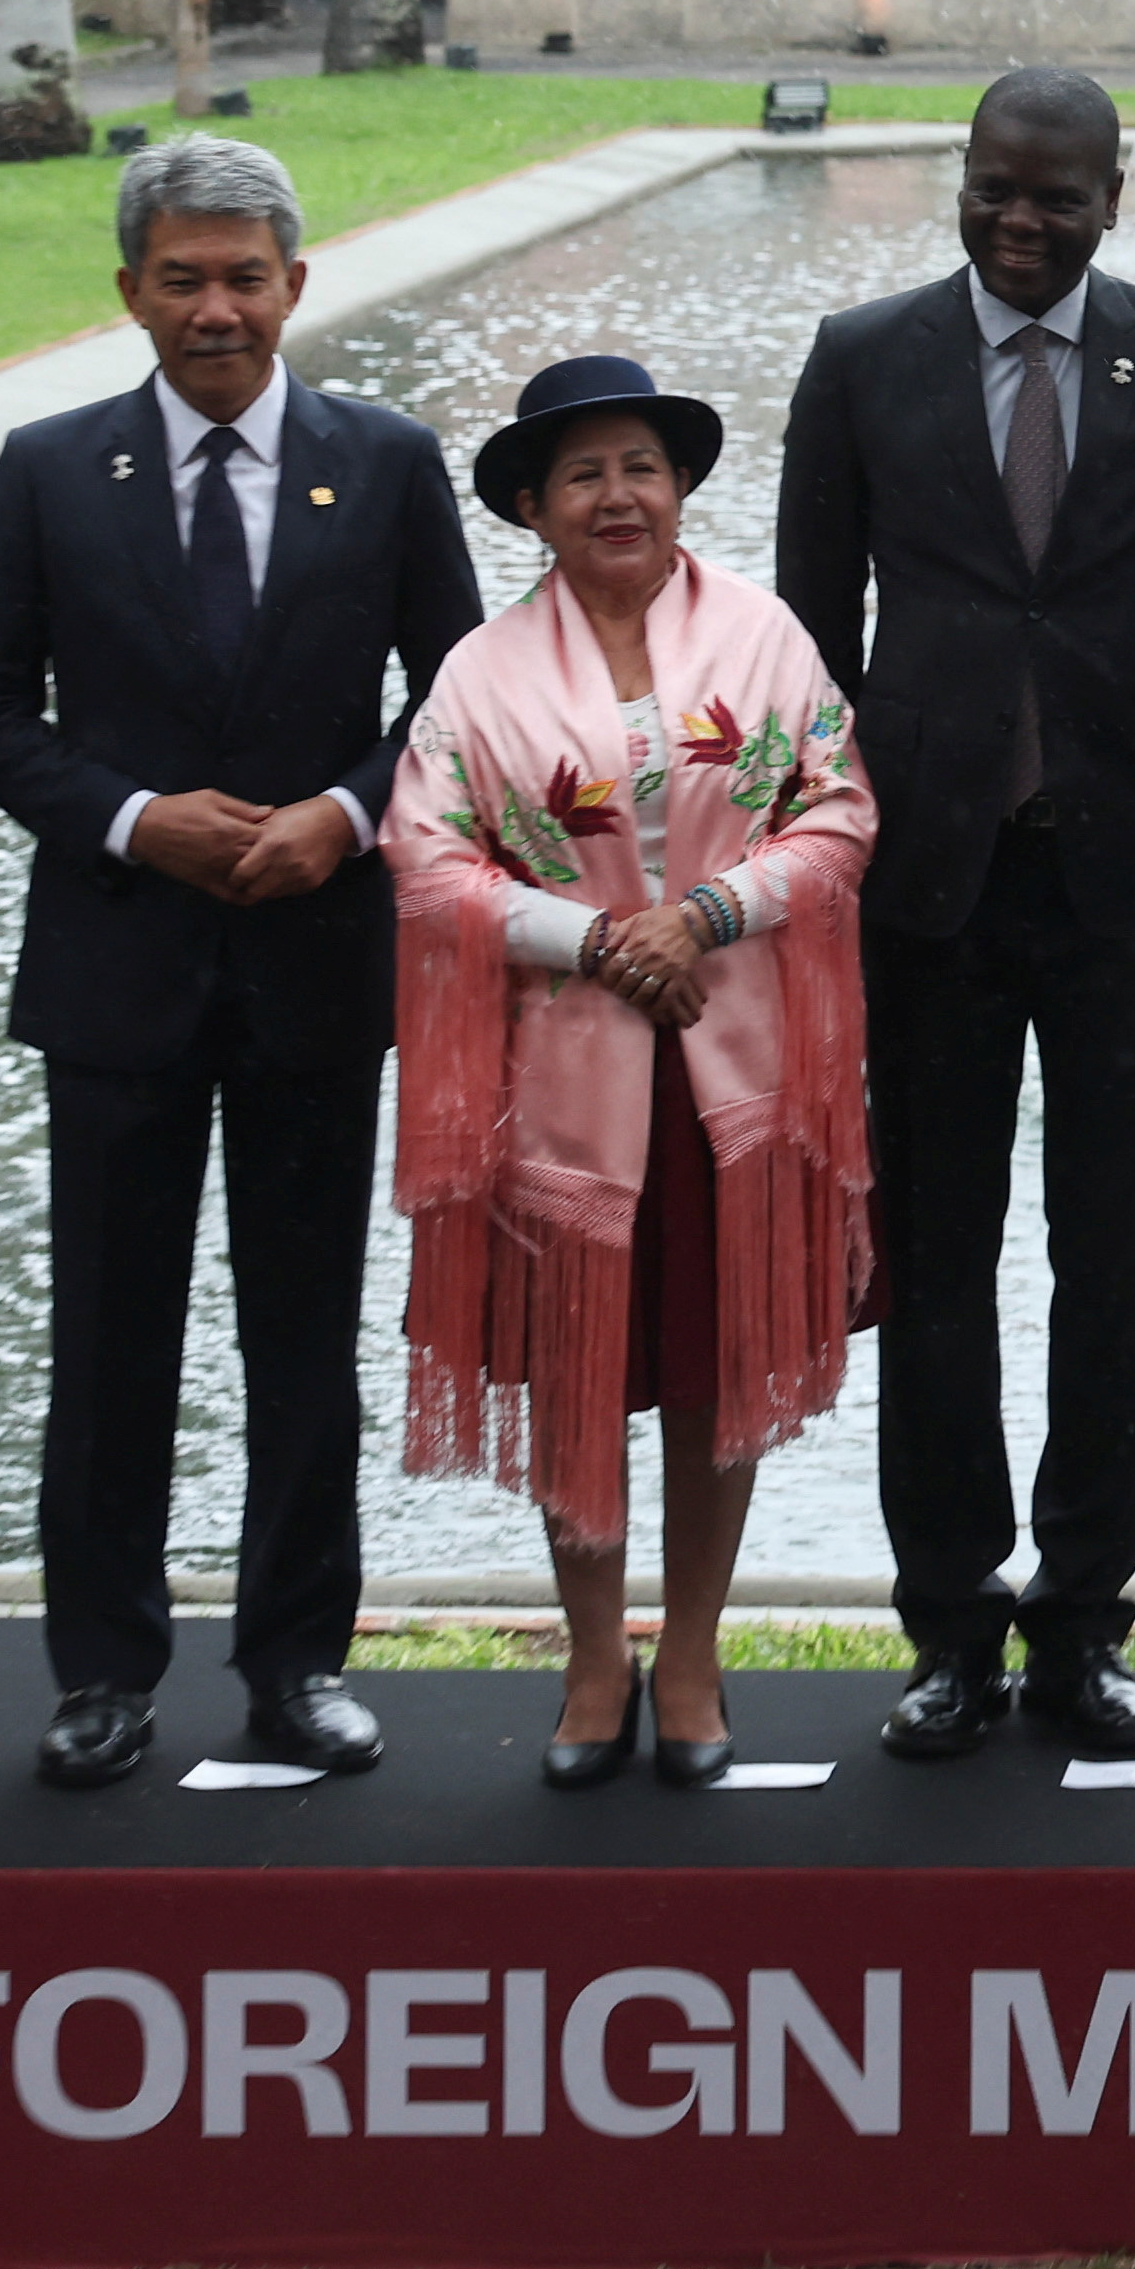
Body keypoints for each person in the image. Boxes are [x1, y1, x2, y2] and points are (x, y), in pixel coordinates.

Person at [0, 135, 484, 1788]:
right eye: (179, 279)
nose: (214, 309)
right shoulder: (46, 471)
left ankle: (295, 1660)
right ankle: (101, 1672)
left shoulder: (387, 465)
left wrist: (343, 813)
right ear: (129, 292)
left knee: (303, 1330)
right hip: (118, 970)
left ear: (295, 285)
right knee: (109, 1336)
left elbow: (458, 707)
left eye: (243, 276)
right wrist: (122, 820)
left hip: (320, 967)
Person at [771, 65, 1135, 1767]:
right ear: (960, 185)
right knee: (941, 1261)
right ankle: (951, 1629)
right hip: (925, 887)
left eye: (1058, 195)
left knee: (1111, 1258)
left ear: (1114, 197)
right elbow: (810, 641)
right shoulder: (862, 361)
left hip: (1125, 884)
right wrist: (817, 867)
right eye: (996, 188)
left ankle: (1081, 1624)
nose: (1022, 220)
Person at [391, 357, 882, 1785]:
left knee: (723, 1367)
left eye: (644, 468)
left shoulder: (765, 636)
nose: (621, 495)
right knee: (578, 1375)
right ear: (534, 510)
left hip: (739, 1076)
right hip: (565, 1078)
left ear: (680, 491)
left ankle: (695, 1653)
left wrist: (708, 916)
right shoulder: (481, 674)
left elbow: (839, 811)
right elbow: (425, 861)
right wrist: (596, 938)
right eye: (586, 474)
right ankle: (595, 1658)